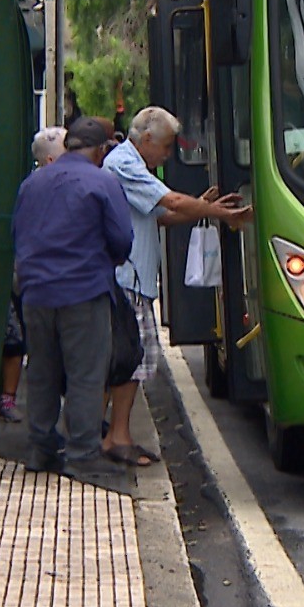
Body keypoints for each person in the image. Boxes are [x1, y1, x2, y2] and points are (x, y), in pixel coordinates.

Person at [101, 106, 251, 466]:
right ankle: (114, 435)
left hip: (134, 276)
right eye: (166, 147)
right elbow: (171, 201)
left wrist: (205, 207)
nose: (167, 156)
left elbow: (165, 215)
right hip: (127, 278)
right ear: (147, 139)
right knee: (131, 360)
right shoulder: (125, 163)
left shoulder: (130, 163)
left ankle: (106, 432)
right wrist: (221, 214)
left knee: (128, 359)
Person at [13, 117, 134, 483]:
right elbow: (121, 239)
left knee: (43, 371)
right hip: (84, 290)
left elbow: (16, 230)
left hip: (36, 292)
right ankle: (82, 453)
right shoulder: (102, 181)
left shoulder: (32, 182)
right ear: (99, 150)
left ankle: (40, 448)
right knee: (85, 374)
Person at [0, 126, 67, 424]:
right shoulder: (46, 189)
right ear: (51, 161)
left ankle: (43, 427)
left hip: (34, 281)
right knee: (45, 355)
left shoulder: (29, 187)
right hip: (44, 285)